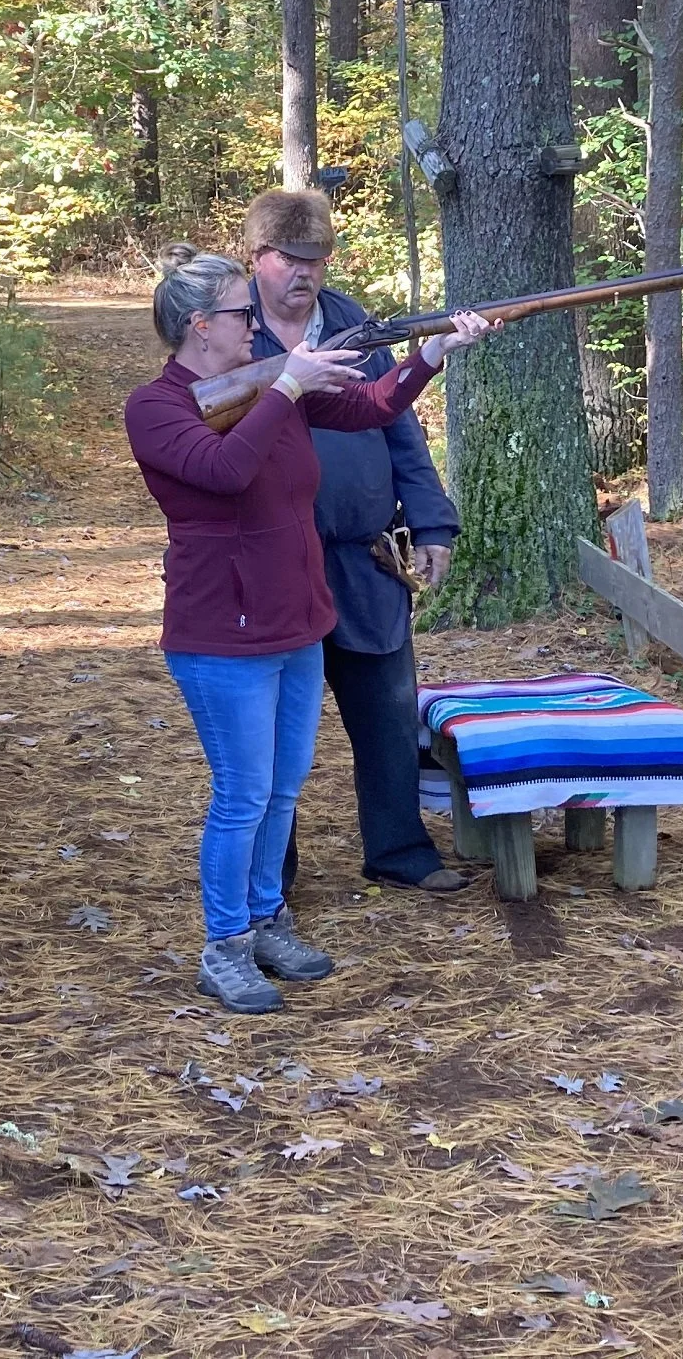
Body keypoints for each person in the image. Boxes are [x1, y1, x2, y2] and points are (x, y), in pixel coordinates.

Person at [123, 249, 493, 1015]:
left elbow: (370, 408)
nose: (254, 323)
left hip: (298, 617)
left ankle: (267, 921)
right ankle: (224, 944)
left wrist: (428, 355)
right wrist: (286, 382)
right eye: (240, 314)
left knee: (283, 788)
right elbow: (224, 471)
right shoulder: (156, 407)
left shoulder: (267, 384)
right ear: (200, 326)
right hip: (220, 631)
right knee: (242, 794)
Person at [240, 190, 466, 893]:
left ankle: (400, 850)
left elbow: (399, 425)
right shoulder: (227, 328)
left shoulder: (353, 325)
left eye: (315, 258)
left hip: (364, 555)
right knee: (273, 735)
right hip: (273, 562)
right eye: (287, 258)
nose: (303, 272)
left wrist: (431, 522)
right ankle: (270, 877)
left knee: (389, 714)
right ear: (257, 257)